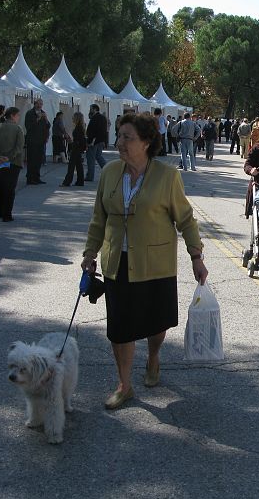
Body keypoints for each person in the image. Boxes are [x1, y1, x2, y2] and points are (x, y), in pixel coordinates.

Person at [81, 112, 208, 410]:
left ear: (147, 142)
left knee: (155, 322)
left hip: (156, 263)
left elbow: (186, 219)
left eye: (128, 137)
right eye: (119, 135)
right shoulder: (110, 172)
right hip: (118, 261)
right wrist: (90, 253)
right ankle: (124, 385)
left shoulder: (167, 176)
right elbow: (98, 218)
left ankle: (153, 357)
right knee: (120, 326)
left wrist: (196, 256)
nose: (120, 143)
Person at [0, 107, 24, 222]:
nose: (19, 118)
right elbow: (19, 147)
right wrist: (9, 157)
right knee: (10, 188)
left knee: (0, 187)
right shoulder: (18, 129)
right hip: (14, 162)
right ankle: (7, 214)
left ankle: (1, 210)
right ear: (13, 115)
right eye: (18, 115)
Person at [24, 99, 47, 185]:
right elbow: (28, 126)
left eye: (41, 104)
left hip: (41, 141)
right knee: (32, 160)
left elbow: (47, 126)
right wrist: (38, 119)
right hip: (32, 141)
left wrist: (46, 119)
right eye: (39, 104)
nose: (40, 105)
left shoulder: (43, 112)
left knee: (38, 160)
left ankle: (37, 177)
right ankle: (30, 178)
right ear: (35, 104)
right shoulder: (30, 113)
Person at [61, 112, 87, 187]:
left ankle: (67, 181)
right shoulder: (80, 127)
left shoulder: (78, 128)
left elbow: (79, 139)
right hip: (78, 147)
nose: (72, 119)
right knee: (78, 165)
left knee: (71, 165)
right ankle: (80, 181)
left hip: (76, 148)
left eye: (73, 117)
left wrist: (72, 143)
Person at [85, 104, 108, 182]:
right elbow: (105, 131)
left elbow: (93, 131)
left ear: (94, 109)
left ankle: (90, 176)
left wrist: (90, 141)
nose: (89, 110)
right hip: (100, 140)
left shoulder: (95, 118)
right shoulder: (103, 118)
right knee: (99, 157)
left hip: (94, 141)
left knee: (91, 159)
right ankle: (107, 170)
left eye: (91, 109)